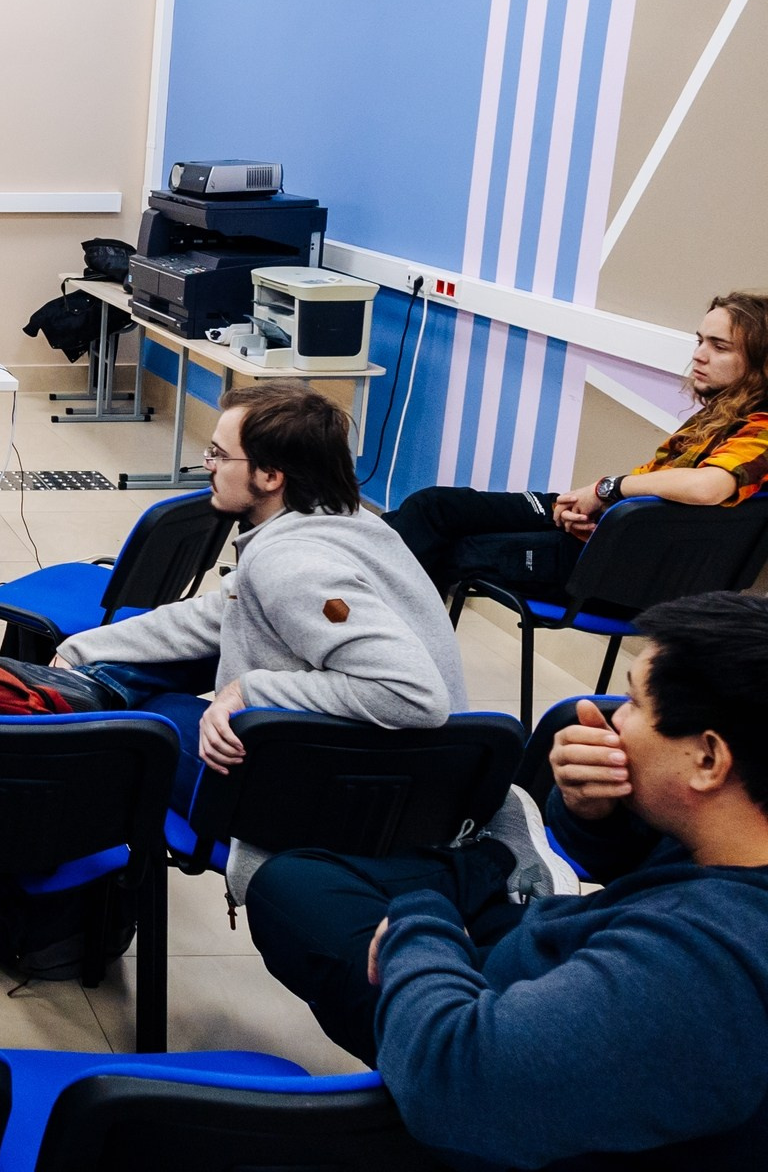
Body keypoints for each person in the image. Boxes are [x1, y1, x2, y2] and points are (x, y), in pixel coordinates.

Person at [246, 593, 768, 1168]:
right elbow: (652, 870)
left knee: (290, 888)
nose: (612, 717)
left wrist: (420, 921)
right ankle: (496, 858)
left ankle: (487, 862)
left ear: (708, 760)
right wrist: (595, 815)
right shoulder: (734, 849)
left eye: (635, 703)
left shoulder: (707, 969)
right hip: (557, 954)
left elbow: (451, 1079)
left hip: (477, 1034)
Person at [53, 383, 467, 842]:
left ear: (271, 476)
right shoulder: (347, 519)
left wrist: (248, 691)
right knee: (135, 672)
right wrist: (85, 647)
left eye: (219, 454)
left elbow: (414, 695)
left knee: (140, 727)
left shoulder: (290, 565)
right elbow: (219, 614)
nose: (208, 466)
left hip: (355, 799)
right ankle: (69, 696)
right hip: (414, 778)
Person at [385, 290, 768, 604]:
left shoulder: (761, 430)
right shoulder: (724, 412)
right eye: (700, 341)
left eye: (719, 347)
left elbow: (707, 487)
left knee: (435, 545)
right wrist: (598, 507)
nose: (698, 355)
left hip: (617, 569)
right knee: (429, 509)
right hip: (609, 531)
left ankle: (390, 665)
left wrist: (607, 489)